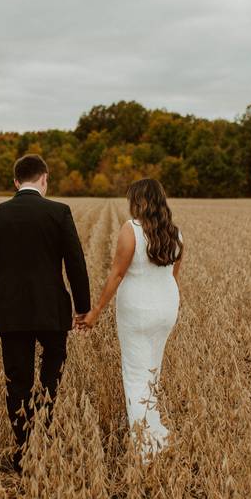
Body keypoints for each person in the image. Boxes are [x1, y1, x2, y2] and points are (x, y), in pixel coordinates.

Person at [0, 154, 90, 473]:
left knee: (18, 382)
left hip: (9, 314)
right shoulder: (59, 212)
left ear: (16, 181)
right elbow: (76, 264)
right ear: (44, 178)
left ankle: (25, 450)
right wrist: (82, 308)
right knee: (50, 376)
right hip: (51, 311)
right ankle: (43, 428)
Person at [78, 177, 183, 461]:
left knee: (135, 375)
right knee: (152, 371)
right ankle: (153, 431)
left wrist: (95, 312)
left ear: (138, 201)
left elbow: (117, 274)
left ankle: (146, 447)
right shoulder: (175, 233)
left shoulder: (132, 230)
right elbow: (172, 275)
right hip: (166, 308)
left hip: (138, 310)